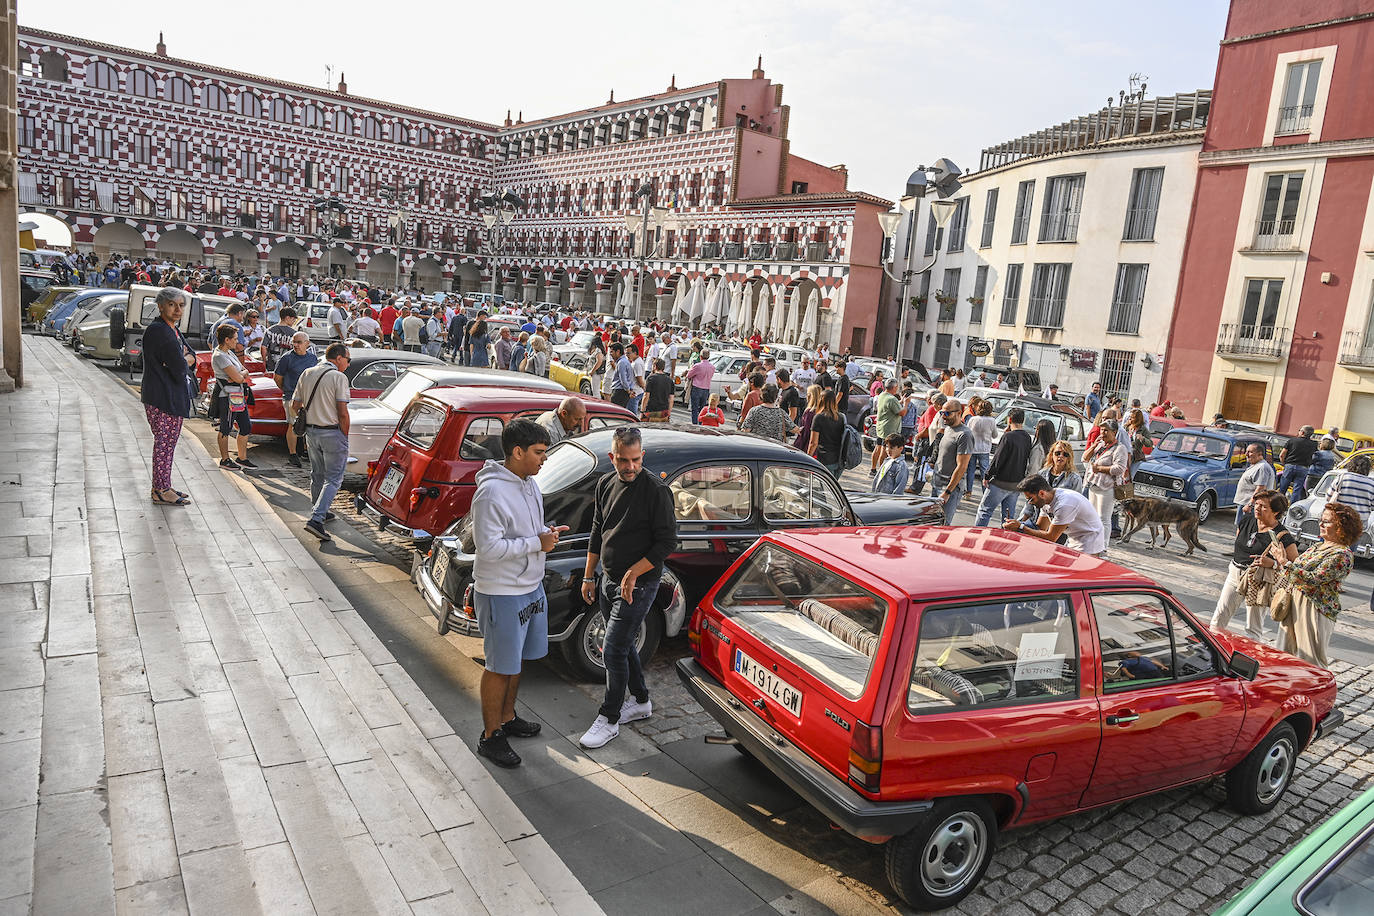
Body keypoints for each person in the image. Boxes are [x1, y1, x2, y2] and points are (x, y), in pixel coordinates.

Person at [472, 419, 567, 768]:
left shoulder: (528, 484)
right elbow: (488, 547)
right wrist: (535, 543)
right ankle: (489, 736)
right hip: (501, 592)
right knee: (499, 666)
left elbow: (528, 529)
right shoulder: (491, 491)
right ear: (517, 452)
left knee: (517, 662)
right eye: (539, 452)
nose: (544, 459)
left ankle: (508, 718)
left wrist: (546, 532)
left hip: (529, 587)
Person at [578, 428, 677, 749]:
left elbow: (666, 543)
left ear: (642, 456)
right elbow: (597, 530)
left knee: (613, 647)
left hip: (640, 585)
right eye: (623, 460)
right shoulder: (605, 484)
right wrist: (589, 575)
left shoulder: (657, 491)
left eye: (636, 460)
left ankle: (609, 718)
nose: (630, 466)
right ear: (613, 457)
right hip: (607, 579)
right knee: (622, 645)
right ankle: (642, 700)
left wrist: (634, 573)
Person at [1275, 502, 1359, 667]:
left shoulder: (1342, 554)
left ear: (1342, 527)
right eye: (1321, 519)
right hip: (1295, 602)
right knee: (1284, 654)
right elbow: (1297, 568)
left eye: (1326, 521)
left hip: (1315, 608)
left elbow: (1314, 578)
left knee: (1310, 660)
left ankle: (1317, 691)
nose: (1320, 523)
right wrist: (1282, 560)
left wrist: (1285, 563)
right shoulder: (1318, 546)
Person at [1211, 489, 1299, 644]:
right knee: (1220, 615)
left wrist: (1273, 563)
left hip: (1259, 580)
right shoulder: (1247, 520)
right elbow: (1240, 541)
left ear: (1276, 511)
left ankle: (1250, 656)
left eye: (1264, 506)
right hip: (1235, 572)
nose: (1257, 508)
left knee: (1253, 627)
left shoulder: (1283, 536)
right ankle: (1212, 647)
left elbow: (1294, 565)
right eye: (1257, 504)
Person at [293, 343, 352, 542]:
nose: (348, 363)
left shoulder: (307, 373)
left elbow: (295, 405)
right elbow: (343, 412)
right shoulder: (338, 377)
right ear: (338, 358)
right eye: (347, 359)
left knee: (317, 474)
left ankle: (320, 509)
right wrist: (344, 435)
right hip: (332, 432)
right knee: (334, 478)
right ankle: (317, 519)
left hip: (312, 431)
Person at [142, 287, 195, 506]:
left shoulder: (171, 328)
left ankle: (163, 485)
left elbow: (190, 355)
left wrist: (185, 359)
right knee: (164, 444)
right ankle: (161, 490)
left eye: (181, 305)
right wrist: (184, 360)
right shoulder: (159, 331)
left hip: (170, 394)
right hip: (162, 396)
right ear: (161, 305)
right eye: (172, 305)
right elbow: (180, 367)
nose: (177, 309)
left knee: (168, 444)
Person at [1006, 474, 1107, 557]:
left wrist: (1021, 527)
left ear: (1041, 493)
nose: (1030, 503)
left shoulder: (1065, 504)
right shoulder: (1046, 501)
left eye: (1031, 499)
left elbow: (1051, 537)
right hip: (1074, 539)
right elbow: (1040, 528)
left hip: (1090, 541)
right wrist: (1016, 527)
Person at [976, 407, 1032, 526]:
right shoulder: (1027, 437)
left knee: (985, 511)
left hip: (1000, 482)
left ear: (1009, 419)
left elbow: (998, 459)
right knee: (1008, 517)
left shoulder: (1008, 437)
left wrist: (987, 475)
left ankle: (977, 534)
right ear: (1023, 420)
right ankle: (1006, 538)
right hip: (1016, 484)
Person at [274, 332, 319, 468]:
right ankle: (293, 454)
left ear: (307, 343)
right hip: (291, 396)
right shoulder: (286, 358)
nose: (295, 345)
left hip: (308, 396)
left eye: (299, 342)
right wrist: (287, 390)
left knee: (309, 424)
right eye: (294, 342)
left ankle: (306, 450)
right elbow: (277, 378)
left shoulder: (312, 358)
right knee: (293, 424)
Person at [1083, 419, 1128, 541]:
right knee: (1093, 517)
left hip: (1107, 487)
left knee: (1104, 519)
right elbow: (1084, 458)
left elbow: (1119, 468)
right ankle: (1092, 543)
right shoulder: (1100, 445)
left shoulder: (1120, 448)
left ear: (1114, 432)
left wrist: (1100, 469)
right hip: (1093, 484)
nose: (1102, 433)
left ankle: (1103, 547)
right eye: (1102, 430)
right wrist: (1093, 445)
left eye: (1106, 430)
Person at [930, 399, 973, 525]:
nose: (943, 416)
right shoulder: (948, 429)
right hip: (937, 483)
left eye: (947, 413)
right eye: (942, 412)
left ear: (959, 413)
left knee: (942, 524)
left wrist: (948, 492)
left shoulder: (965, 435)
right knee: (931, 522)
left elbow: (962, 466)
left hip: (949, 488)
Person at [1234, 443, 1277, 526]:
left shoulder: (1262, 467)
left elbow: (1260, 488)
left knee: (1245, 529)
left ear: (1259, 454)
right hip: (1245, 503)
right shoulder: (1255, 465)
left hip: (1251, 506)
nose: (1246, 454)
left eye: (1250, 452)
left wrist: (1250, 504)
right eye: (1246, 451)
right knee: (1241, 528)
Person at [807, 389, 846, 476]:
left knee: (824, 488)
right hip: (839, 459)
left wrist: (807, 458)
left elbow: (813, 443)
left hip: (825, 459)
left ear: (821, 400)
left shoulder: (819, 418)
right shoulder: (841, 417)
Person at [964, 399, 997, 495]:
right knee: (985, 471)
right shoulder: (992, 421)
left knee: (971, 470)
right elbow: (995, 435)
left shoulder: (973, 419)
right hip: (985, 449)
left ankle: (968, 491)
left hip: (972, 448)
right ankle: (985, 492)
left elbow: (967, 432)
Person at [871, 379, 903, 475]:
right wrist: (906, 404)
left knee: (878, 447)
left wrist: (901, 401)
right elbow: (902, 412)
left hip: (881, 426)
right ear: (894, 387)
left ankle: (873, 469)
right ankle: (882, 471)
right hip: (889, 428)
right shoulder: (892, 399)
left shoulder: (882, 395)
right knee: (885, 450)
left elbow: (892, 405)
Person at [1278, 426, 1317, 501]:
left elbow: (1282, 455)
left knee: (1282, 488)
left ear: (1302, 432)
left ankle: (1278, 505)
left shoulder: (1292, 441)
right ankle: (1292, 508)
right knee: (1297, 489)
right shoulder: (1313, 444)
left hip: (1290, 466)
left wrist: (1284, 463)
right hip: (1303, 468)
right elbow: (1315, 456)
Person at [1332, 454, 1374, 519]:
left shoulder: (1342, 477)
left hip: (1341, 517)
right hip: (1360, 520)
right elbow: (1372, 506)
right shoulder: (1371, 483)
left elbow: (1329, 497)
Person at [261, 306, 297, 371]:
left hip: (271, 365)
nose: (294, 321)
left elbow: (263, 347)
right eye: (293, 319)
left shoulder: (269, 330)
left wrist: (264, 361)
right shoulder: (294, 333)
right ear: (287, 318)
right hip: (288, 367)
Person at [685, 347, 714, 423]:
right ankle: (701, 423)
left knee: (694, 408)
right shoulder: (712, 367)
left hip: (697, 388)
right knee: (702, 409)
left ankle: (694, 424)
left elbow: (689, 375)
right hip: (706, 388)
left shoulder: (697, 366)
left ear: (700, 356)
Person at [608, 342, 633, 408]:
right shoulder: (623, 361)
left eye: (612, 352)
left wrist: (628, 390)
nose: (610, 354)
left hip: (620, 392)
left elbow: (623, 379)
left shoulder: (622, 362)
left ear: (618, 351)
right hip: (621, 392)